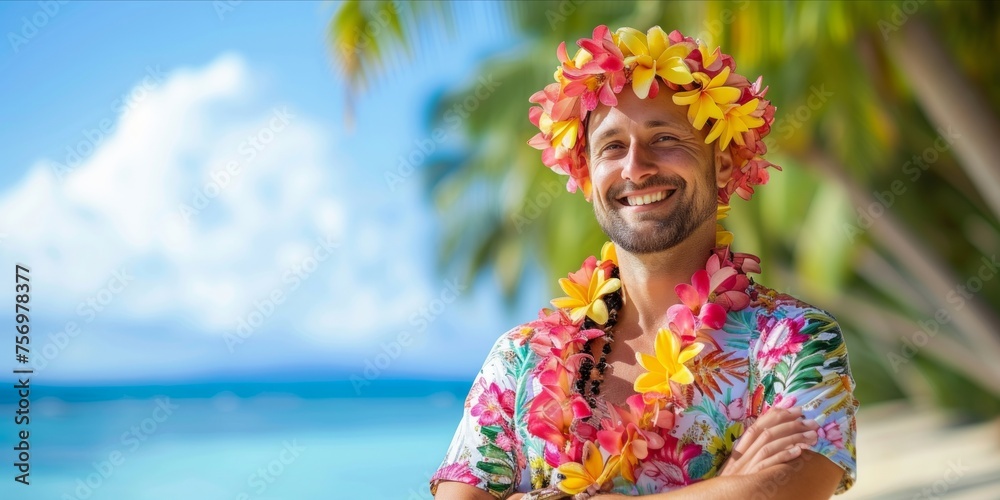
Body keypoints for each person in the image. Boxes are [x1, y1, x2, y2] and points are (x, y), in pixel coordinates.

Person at [430, 25, 858, 499]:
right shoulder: (518, 360)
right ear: (587, 175)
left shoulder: (792, 339)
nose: (636, 168)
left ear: (722, 164)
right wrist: (726, 487)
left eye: (665, 138)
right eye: (612, 147)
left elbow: (789, 489)